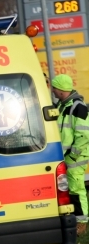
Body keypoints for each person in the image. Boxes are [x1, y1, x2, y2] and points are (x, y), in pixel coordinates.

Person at [51, 74, 89, 235]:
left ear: (60, 89)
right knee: (67, 189)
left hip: (75, 157)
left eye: (54, 87)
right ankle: (74, 219)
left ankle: (82, 223)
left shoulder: (78, 107)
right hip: (66, 155)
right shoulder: (63, 105)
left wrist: (73, 156)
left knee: (76, 189)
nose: (52, 90)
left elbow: (84, 136)